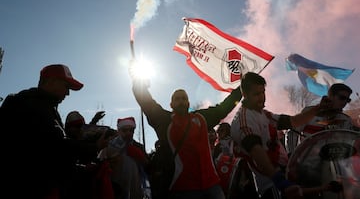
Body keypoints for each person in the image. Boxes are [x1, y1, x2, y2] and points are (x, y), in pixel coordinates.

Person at [129, 60, 243, 199]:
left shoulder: (201, 118)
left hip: (212, 184)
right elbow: (146, 102)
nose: (181, 101)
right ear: (171, 104)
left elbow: (223, 108)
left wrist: (241, 89)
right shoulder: (164, 121)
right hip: (184, 188)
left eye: (184, 98)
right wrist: (137, 82)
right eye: (177, 99)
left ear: (188, 103)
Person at [0, 64, 109, 199]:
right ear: (51, 81)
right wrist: (95, 147)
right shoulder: (29, 105)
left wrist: (82, 168)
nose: (68, 93)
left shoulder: (44, 107)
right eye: (66, 86)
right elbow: (55, 147)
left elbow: (53, 156)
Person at [230, 72, 335, 199]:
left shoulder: (263, 114)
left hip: (285, 177)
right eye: (257, 94)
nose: (262, 97)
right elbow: (256, 151)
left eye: (263, 92)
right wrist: (280, 181)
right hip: (272, 186)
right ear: (244, 95)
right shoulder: (244, 120)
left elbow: (293, 122)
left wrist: (318, 108)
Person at [98, 117, 150, 199]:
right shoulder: (110, 145)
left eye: (131, 130)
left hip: (134, 187)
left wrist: (141, 158)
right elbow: (99, 164)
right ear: (119, 130)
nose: (128, 133)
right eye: (125, 130)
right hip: (114, 187)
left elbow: (148, 167)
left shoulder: (138, 146)